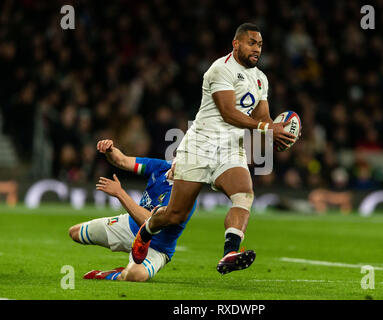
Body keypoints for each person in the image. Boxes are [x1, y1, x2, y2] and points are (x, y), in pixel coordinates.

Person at [131, 23, 297, 274]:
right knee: (175, 214)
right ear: (236, 44)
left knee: (244, 194)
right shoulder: (220, 69)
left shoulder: (260, 79)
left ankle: (229, 251)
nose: (257, 49)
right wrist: (266, 128)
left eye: (260, 45)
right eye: (252, 43)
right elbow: (228, 113)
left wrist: (277, 134)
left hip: (230, 149)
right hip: (200, 145)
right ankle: (147, 230)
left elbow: (263, 117)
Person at [68, 139, 196, 282]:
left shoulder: (185, 196)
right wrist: (110, 150)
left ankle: (113, 274)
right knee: (75, 233)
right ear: (175, 156)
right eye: (182, 156)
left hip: (156, 247)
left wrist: (120, 193)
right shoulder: (161, 167)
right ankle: (125, 269)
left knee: (135, 275)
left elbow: (150, 223)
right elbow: (121, 161)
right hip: (130, 226)